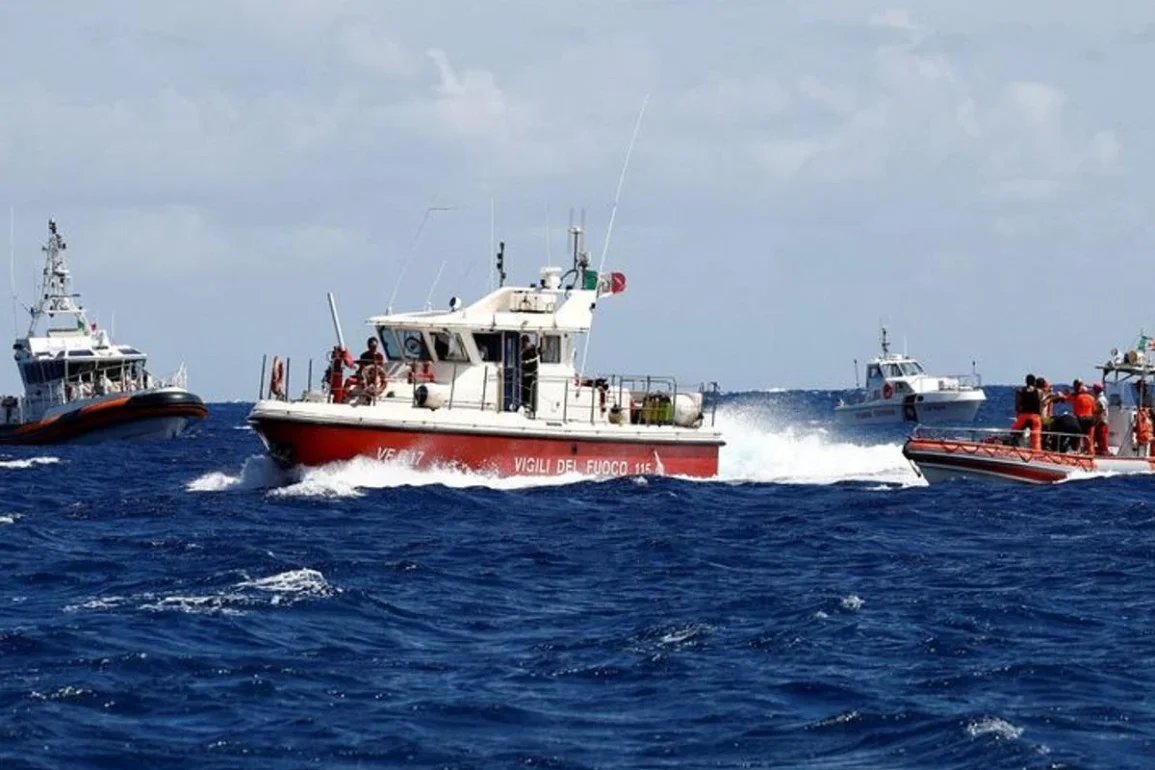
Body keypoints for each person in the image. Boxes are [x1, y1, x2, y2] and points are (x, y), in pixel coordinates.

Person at [1009, 374, 1042, 450]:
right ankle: (1037, 452)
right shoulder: (1039, 391)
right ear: (1034, 382)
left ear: (1026, 382)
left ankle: (1014, 447)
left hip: (1024, 415)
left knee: (1013, 431)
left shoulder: (1020, 391)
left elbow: (1018, 405)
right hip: (1035, 417)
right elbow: (1040, 403)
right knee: (1036, 437)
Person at [521, 334, 539, 416]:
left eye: (525, 343)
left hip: (530, 376)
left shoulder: (532, 352)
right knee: (523, 389)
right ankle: (524, 403)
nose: (524, 345)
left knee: (528, 390)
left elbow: (533, 364)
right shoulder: (522, 352)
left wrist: (523, 365)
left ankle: (528, 405)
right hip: (523, 375)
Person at [1092, 383, 1109, 455]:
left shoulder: (1100, 400)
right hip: (1101, 420)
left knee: (1102, 439)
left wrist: (1097, 421)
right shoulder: (1102, 398)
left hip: (1101, 421)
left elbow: (1101, 411)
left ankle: (1104, 452)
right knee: (1100, 438)